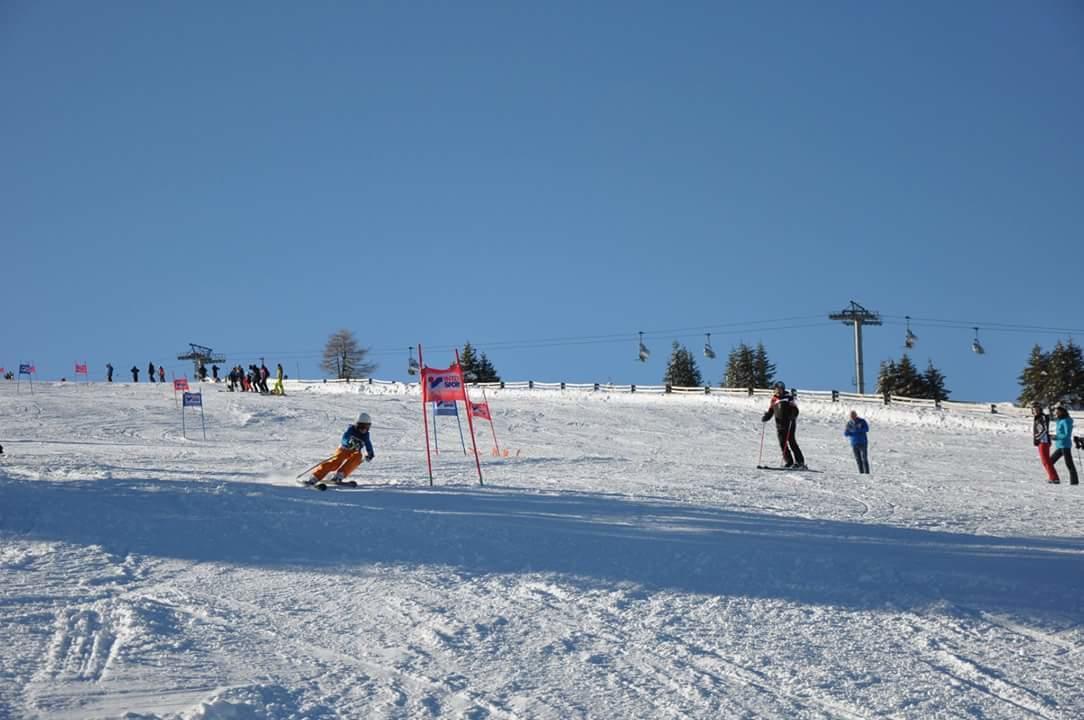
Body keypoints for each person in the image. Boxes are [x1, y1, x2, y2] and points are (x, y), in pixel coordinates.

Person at [303, 412, 375, 486]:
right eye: (362, 426)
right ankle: (315, 477)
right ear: (356, 425)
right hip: (344, 449)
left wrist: (370, 453)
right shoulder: (351, 430)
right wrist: (349, 442)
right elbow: (345, 438)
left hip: (354, 451)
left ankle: (339, 476)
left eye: (367, 427)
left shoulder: (365, 435)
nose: (364, 429)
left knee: (358, 457)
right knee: (335, 463)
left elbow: (368, 444)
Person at [761, 381, 805, 468]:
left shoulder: (788, 397)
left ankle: (800, 462)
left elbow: (795, 409)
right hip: (779, 425)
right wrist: (766, 417)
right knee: (782, 443)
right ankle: (789, 462)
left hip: (789, 424)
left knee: (792, 442)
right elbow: (771, 411)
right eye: (777, 390)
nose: (778, 391)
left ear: (783, 390)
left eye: (780, 390)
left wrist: (793, 415)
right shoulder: (774, 399)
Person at [1050, 406, 1078, 485]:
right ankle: (1053, 478)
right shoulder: (1060, 420)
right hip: (1060, 445)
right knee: (1050, 462)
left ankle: (1074, 482)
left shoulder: (1066, 421)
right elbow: (1061, 432)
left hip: (1065, 445)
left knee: (1069, 464)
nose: (1056, 413)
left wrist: (1056, 437)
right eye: (1056, 412)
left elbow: (1067, 434)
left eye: (1058, 412)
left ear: (1062, 412)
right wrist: (1053, 436)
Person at [1032, 404, 1059, 483]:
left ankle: (1054, 478)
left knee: (1046, 461)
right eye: (1033, 410)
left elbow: (1044, 429)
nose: (1035, 411)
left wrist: (1037, 437)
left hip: (1043, 441)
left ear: (1040, 409)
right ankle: (1053, 477)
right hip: (1041, 442)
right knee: (1046, 461)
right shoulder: (1037, 418)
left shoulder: (1042, 417)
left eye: (1037, 410)